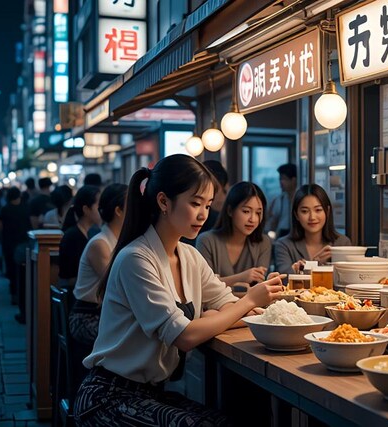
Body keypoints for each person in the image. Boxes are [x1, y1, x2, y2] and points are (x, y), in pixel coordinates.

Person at [75, 154, 283, 425]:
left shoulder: (189, 255)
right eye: (195, 203)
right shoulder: (136, 258)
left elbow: (224, 302)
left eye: (207, 205)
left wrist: (214, 316)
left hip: (153, 394)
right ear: (163, 201)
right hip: (110, 398)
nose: (203, 214)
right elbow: (184, 337)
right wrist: (244, 304)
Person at [69, 183, 126, 354]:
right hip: (87, 318)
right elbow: (116, 286)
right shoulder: (100, 244)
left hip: (106, 316)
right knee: (137, 338)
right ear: (118, 211)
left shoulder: (117, 240)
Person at [196, 182, 272, 290]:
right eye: (246, 211)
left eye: (258, 213)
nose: (253, 219)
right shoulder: (206, 241)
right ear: (230, 211)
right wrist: (241, 278)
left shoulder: (263, 242)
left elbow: (258, 284)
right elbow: (204, 285)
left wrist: (224, 281)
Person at [273, 184, 351, 274]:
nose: (312, 217)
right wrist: (315, 264)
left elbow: (347, 279)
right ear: (296, 215)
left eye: (318, 210)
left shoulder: (342, 243)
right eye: (305, 211)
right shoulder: (284, 245)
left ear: (327, 211)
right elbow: (283, 279)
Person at [57, 186, 101, 288]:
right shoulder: (72, 236)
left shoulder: (92, 232)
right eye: (98, 205)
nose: (101, 209)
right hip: (74, 295)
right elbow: (68, 277)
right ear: (86, 209)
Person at [0, 187, 30, 307]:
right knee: (23, 271)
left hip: (9, 243)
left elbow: (0, 226)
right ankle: (22, 296)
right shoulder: (26, 208)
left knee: (11, 269)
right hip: (23, 243)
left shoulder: (5, 209)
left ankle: (14, 295)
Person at [266, 163, 296, 238]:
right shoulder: (279, 200)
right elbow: (273, 221)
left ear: (293, 180)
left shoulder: (302, 198)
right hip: (281, 235)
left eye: (284, 179)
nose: (281, 182)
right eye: (280, 179)